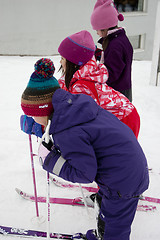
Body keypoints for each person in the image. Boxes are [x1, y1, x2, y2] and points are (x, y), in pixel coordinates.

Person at [21, 58, 149, 240]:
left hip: (123, 181)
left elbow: (83, 173)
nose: (32, 120)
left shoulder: (68, 131)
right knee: (107, 210)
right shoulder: (75, 110)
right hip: (122, 171)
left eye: (32, 116)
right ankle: (100, 234)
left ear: (43, 111)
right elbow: (82, 145)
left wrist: (50, 160)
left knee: (115, 228)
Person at [58, 30, 140, 138]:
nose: (60, 62)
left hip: (125, 118)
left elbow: (85, 117)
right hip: (124, 114)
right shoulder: (81, 75)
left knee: (120, 152)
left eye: (62, 58)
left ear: (74, 63)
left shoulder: (82, 86)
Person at [90, 0, 133, 102]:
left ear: (105, 28)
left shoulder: (115, 45)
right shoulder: (119, 39)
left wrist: (95, 74)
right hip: (122, 88)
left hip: (118, 94)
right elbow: (115, 61)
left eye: (97, 30)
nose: (97, 33)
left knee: (116, 118)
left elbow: (111, 74)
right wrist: (99, 54)